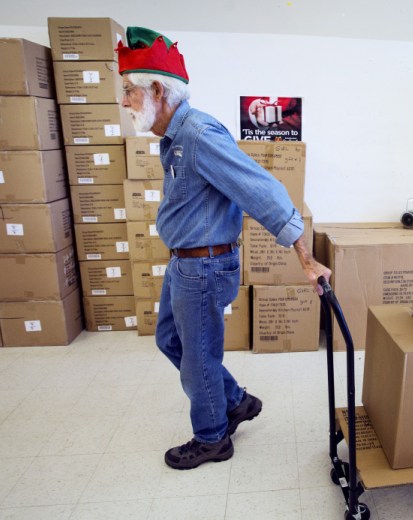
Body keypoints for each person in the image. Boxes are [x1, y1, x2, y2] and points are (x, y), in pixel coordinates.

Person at [116, 27, 332, 470]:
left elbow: (264, 192)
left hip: (204, 268)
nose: (124, 102)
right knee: (169, 339)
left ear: (157, 89)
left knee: (198, 356)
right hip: (185, 264)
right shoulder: (174, 139)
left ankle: (212, 437)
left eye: (129, 92)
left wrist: (307, 261)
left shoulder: (197, 135)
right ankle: (233, 400)